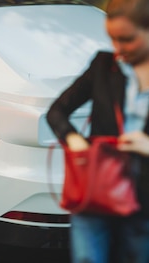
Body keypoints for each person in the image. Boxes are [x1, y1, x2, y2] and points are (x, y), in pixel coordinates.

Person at [46, 0, 149, 262]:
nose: (118, 48)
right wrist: (74, 140)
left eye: (127, 39)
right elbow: (57, 111)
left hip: (144, 198)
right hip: (97, 186)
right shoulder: (104, 65)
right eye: (113, 39)